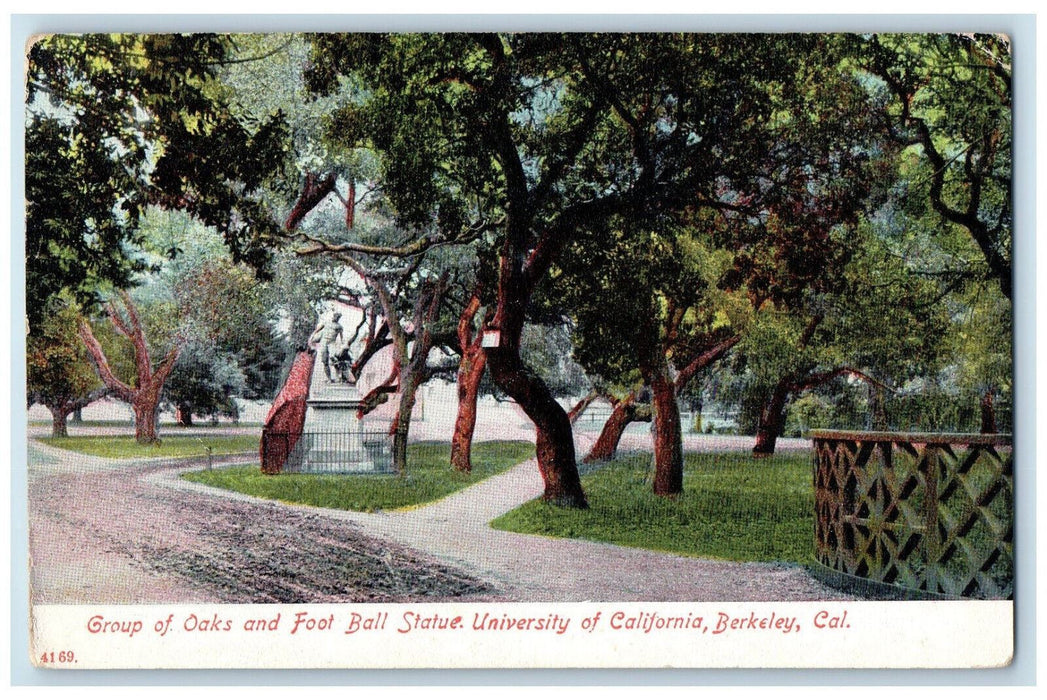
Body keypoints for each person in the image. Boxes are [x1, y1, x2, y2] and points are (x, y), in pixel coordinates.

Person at [309, 312, 345, 382]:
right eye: (336, 316)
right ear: (333, 316)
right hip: (324, 342)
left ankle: (339, 375)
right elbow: (317, 330)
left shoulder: (339, 326)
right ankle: (329, 378)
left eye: (338, 317)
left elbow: (341, 337)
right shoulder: (326, 322)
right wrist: (312, 336)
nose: (336, 318)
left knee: (333, 358)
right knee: (325, 361)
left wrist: (342, 345)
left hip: (332, 343)